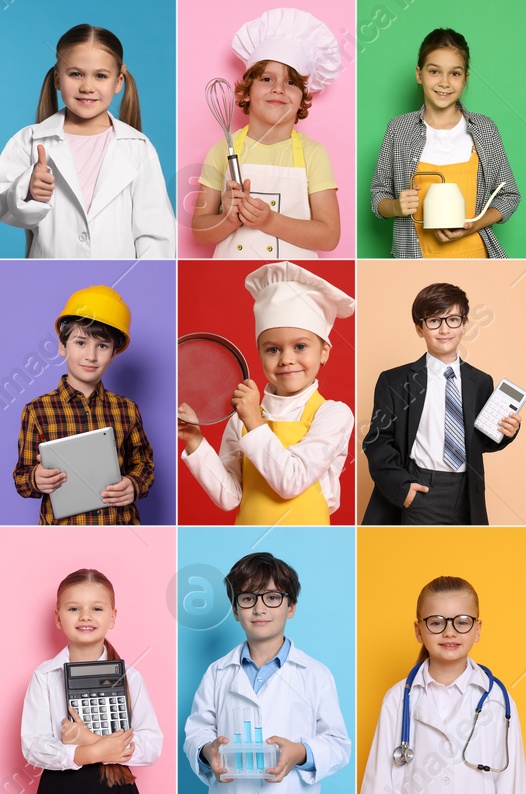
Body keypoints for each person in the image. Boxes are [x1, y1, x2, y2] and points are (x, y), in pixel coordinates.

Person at [180, 261, 356, 525]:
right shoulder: (240, 417)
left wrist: (254, 421)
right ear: (260, 352)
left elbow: (291, 482)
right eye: (272, 349)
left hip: (306, 539)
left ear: (324, 352)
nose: (286, 359)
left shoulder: (333, 414)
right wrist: (195, 441)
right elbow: (229, 497)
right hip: (248, 542)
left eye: (299, 346)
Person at [0, 24, 173, 258]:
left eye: (100, 76)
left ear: (118, 82)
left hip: (118, 285)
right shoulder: (29, 140)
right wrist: (27, 189)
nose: (87, 87)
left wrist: (141, 285)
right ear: (57, 79)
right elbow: (4, 206)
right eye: (75, 73)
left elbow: (156, 234)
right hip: (48, 279)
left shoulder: (138, 148)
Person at [183, 552, 351, 791]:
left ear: (291, 607)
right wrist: (207, 751)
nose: (259, 608)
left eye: (272, 597)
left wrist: (301, 753)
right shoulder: (216, 673)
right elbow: (196, 732)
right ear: (235, 610)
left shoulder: (315, 674)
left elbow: (339, 745)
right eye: (248, 598)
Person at [362, 282, 520, 525]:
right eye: (434, 321)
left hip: (468, 492)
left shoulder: (480, 381)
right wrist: (403, 490)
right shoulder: (394, 380)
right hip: (420, 487)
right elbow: (377, 441)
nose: (444, 329)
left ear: (464, 325)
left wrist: (507, 432)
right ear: (419, 328)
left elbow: (482, 441)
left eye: (453, 319)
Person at [191, 8, 342, 258]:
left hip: (292, 278)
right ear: (248, 91)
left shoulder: (313, 153)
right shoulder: (222, 149)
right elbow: (199, 229)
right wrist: (229, 218)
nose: (279, 89)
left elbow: (329, 236)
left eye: (291, 82)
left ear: (302, 98)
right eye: (267, 79)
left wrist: (269, 220)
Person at [362, 576, 526, 792]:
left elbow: (513, 783)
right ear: (418, 630)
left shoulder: (497, 699)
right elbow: (379, 781)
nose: (449, 632)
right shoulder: (398, 699)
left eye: (461, 622)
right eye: (437, 622)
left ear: (477, 629)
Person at [371, 28, 522, 258]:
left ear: (465, 78)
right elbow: (378, 194)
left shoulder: (485, 129)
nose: (444, 82)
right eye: (434, 71)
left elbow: (509, 195)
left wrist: (475, 224)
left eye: (455, 73)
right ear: (419, 74)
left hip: (476, 258)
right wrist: (395, 207)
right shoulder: (398, 129)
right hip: (413, 260)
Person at [14, 286, 153, 525]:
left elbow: (144, 465)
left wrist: (134, 484)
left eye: (102, 346)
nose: (91, 355)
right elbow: (22, 478)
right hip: (62, 530)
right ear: (62, 346)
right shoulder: (37, 410)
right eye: (80, 342)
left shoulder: (127, 409)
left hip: (118, 525)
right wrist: (36, 479)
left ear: (113, 353)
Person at [22, 569, 162, 793]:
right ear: (58, 618)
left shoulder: (131, 677)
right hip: (60, 786)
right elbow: (33, 746)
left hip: (115, 785)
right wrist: (92, 752)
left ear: (113, 617)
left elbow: (152, 745)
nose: (85, 616)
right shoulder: (45, 675)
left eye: (96, 608)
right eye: (74, 609)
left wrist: (89, 739)